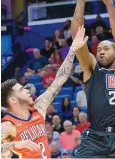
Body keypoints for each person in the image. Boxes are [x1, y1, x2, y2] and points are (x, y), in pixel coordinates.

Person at [1, 27, 88, 158]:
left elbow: (59, 79)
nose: (27, 90)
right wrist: (14, 145)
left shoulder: (38, 108)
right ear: (13, 100)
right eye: (21, 90)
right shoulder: (8, 125)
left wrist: (73, 49)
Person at [71, 0, 115, 158]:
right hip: (94, 139)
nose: (100, 52)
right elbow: (77, 38)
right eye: (98, 49)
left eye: (106, 48)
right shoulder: (91, 69)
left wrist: (109, 4)